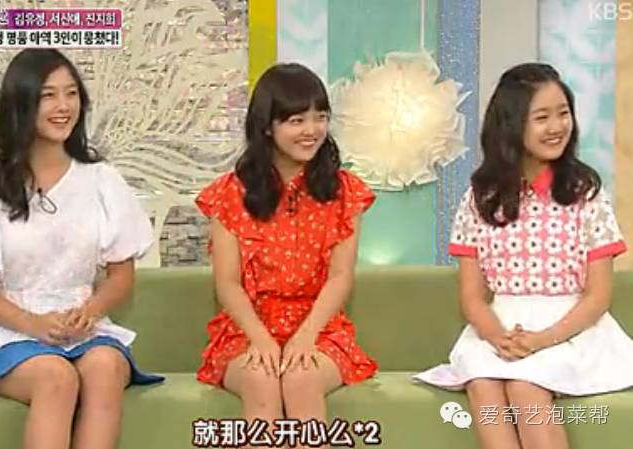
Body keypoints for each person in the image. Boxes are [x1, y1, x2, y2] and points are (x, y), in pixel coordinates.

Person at [0, 49, 162, 449]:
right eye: (48, 95)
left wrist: (91, 311)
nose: (64, 106)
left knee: (105, 367)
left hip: (84, 326)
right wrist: (32, 324)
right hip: (10, 332)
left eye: (71, 93)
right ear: (21, 102)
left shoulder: (102, 181)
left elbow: (121, 276)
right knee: (55, 376)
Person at [414, 63, 633, 449]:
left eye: (563, 113)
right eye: (542, 117)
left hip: (572, 329)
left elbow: (598, 296)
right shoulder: (480, 198)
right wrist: (498, 337)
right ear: (511, 125)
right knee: (482, 383)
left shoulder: (585, 192)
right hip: (500, 329)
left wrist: (543, 339)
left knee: (524, 385)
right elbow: (472, 297)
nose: (557, 126)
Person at [195, 63, 377, 447]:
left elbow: (340, 277)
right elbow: (227, 283)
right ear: (267, 126)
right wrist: (261, 340)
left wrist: (305, 337)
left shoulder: (345, 191)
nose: (312, 130)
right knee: (261, 380)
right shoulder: (230, 193)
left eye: (320, 117)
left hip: (321, 329)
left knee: (301, 378)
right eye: (297, 120)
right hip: (247, 330)